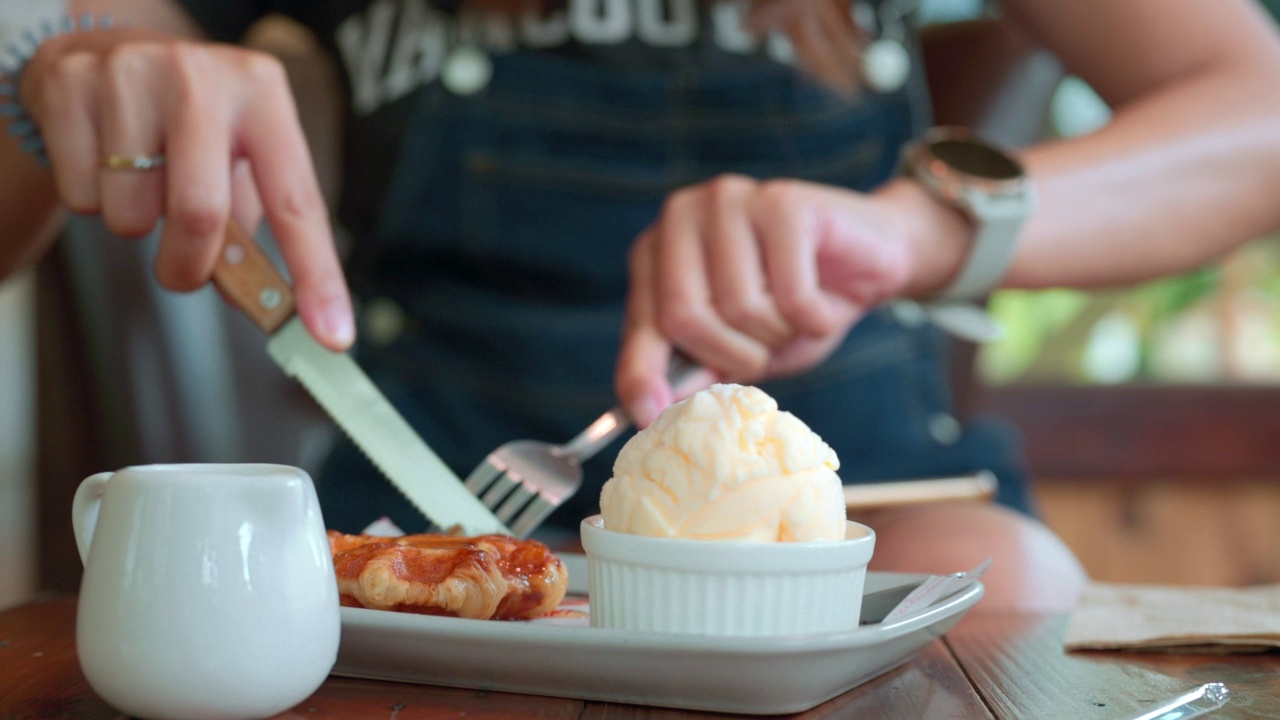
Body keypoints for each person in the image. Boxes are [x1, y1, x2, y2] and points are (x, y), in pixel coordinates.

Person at [4, 0, 1280, 611]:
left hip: (865, 523)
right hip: (429, 536)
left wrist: (912, 228)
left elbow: (1254, 111)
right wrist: (49, 74)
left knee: (1008, 582)